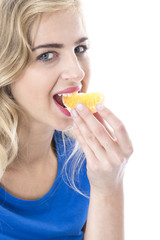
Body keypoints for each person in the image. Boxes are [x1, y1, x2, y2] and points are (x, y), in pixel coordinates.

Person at [0, 0, 133, 239]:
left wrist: (109, 188)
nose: (77, 73)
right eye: (47, 54)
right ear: (6, 67)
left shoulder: (88, 163)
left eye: (79, 49)